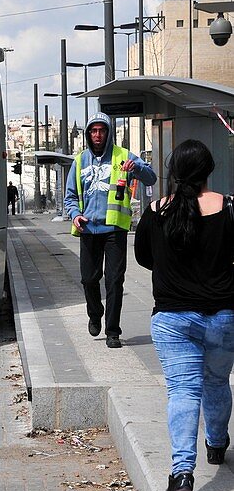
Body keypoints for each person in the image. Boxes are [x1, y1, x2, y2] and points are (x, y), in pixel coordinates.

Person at [134, 139, 234, 491]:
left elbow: (145, 258)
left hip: (172, 319)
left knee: (183, 391)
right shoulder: (228, 207)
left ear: (173, 171)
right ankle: (217, 443)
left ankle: (181, 474)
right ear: (209, 170)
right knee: (217, 382)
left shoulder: (155, 210)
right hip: (223, 316)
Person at [64, 112, 156, 348]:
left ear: (108, 133)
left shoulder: (123, 156)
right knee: (88, 279)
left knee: (115, 281)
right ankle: (95, 314)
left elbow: (151, 178)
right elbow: (70, 198)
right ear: (88, 134)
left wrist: (136, 168)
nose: (97, 135)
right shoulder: (79, 161)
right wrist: (75, 215)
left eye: (101, 130)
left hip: (115, 229)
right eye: (93, 131)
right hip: (88, 229)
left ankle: (112, 331)